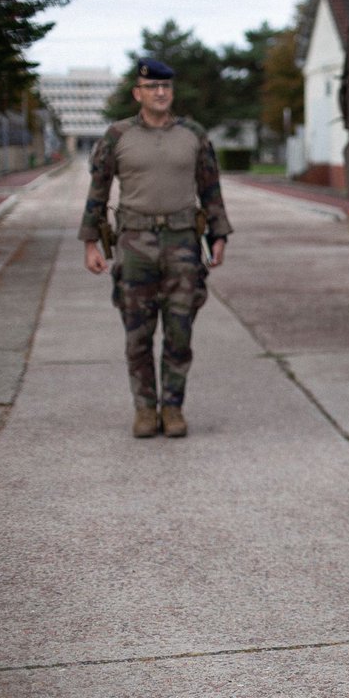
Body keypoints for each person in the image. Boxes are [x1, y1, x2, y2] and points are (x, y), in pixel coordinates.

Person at [79, 57, 232, 439]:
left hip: (182, 242)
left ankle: (174, 409)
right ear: (138, 93)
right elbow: (98, 191)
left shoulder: (193, 134)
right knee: (138, 333)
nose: (160, 93)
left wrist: (219, 235)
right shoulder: (117, 136)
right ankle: (146, 409)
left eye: (166, 87)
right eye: (152, 87)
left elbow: (210, 189)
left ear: (172, 91)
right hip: (134, 243)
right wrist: (90, 243)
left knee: (180, 330)